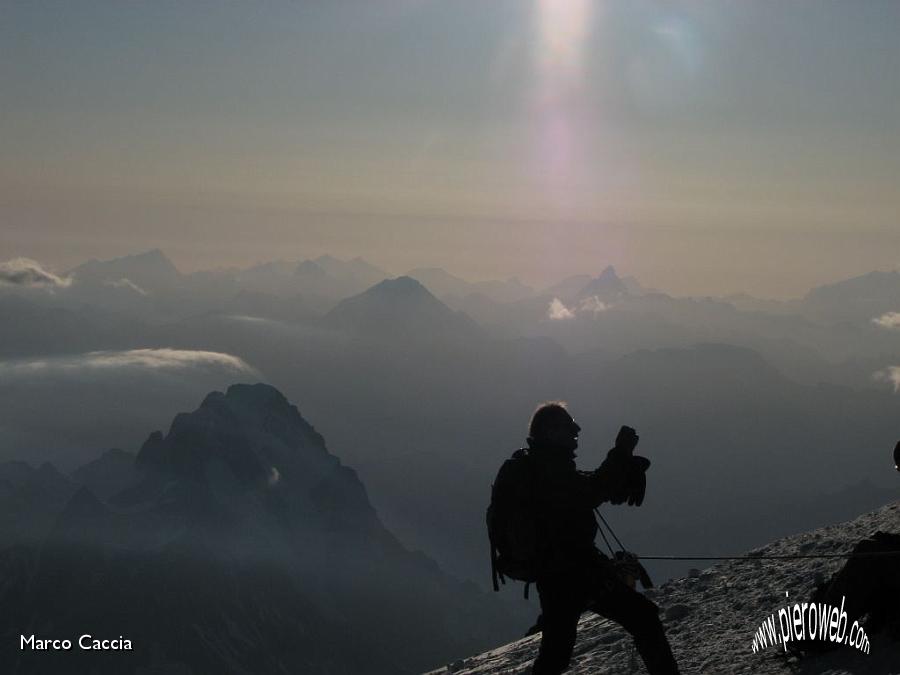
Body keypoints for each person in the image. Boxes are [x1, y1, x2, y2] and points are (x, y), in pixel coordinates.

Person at [490, 402, 679, 675]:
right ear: (551, 432)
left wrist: (620, 467)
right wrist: (621, 454)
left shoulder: (540, 465)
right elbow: (589, 491)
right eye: (569, 426)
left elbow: (582, 487)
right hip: (575, 571)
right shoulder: (549, 468)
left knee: (556, 655)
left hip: (556, 575)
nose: (576, 430)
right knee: (643, 618)